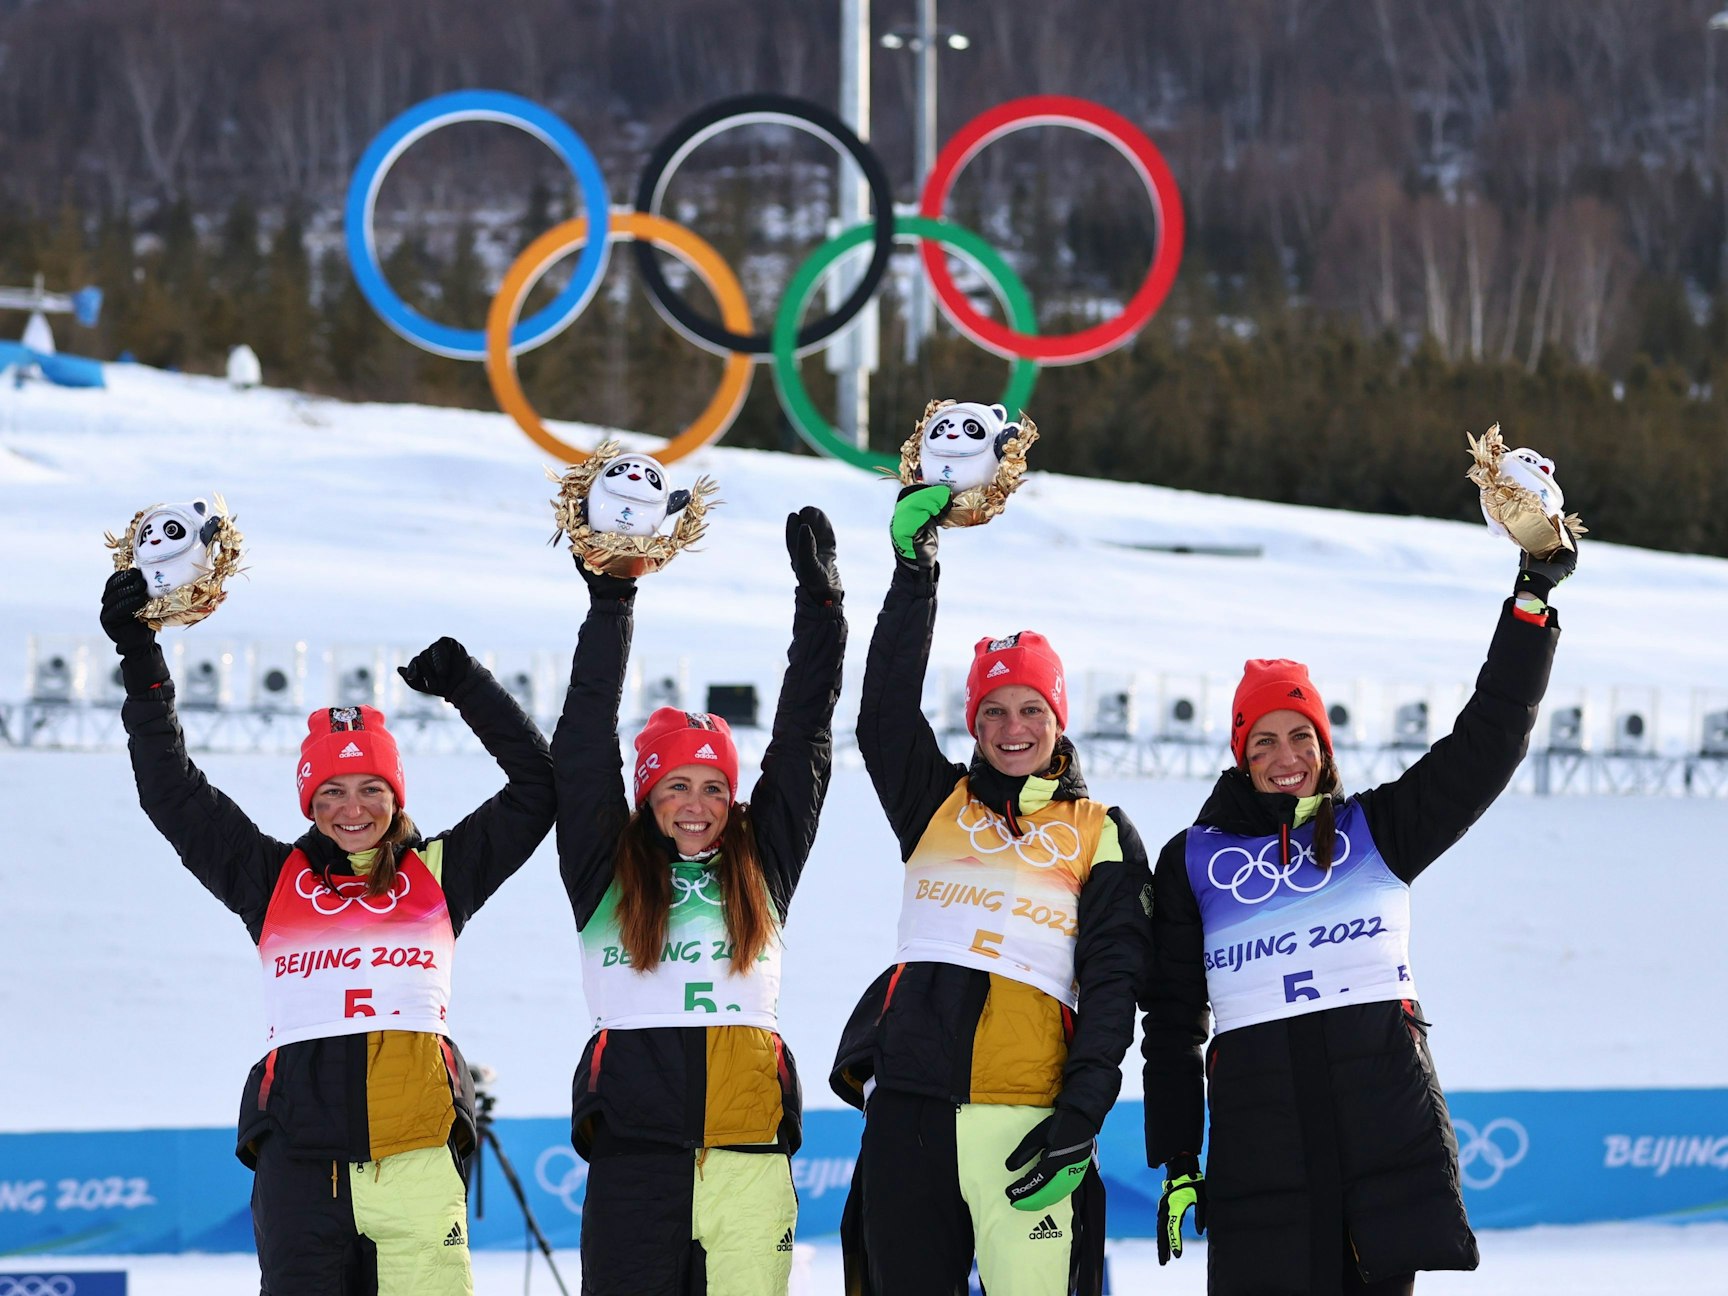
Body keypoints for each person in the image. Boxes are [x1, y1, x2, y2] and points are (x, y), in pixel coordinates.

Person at [99, 568, 557, 1295]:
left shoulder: (441, 873)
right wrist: (140, 657)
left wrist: (471, 688)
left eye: (372, 788)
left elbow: (540, 786)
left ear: (396, 794)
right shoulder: (268, 878)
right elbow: (171, 790)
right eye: (332, 792)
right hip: (302, 1171)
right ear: (310, 802)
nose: (354, 807)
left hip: (417, 1158)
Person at [1141, 543, 1574, 1295]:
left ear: (1323, 745)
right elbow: (1174, 1023)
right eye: (1265, 740)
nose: (1287, 756)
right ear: (1241, 753)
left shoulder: (1378, 831)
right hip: (1261, 1167)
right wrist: (1179, 1159)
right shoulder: (1192, 861)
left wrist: (1531, 601)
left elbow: (1491, 737)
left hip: (1382, 1155)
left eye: (1301, 736)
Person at [831, 483, 1153, 1296]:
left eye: (1031, 708)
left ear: (1059, 716)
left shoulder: (1102, 830)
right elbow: (880, 716)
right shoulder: (932, 802)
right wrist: (915, 572)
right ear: (973, 724)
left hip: (1029, 1118)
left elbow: (1116, 985)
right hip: (910, 1110)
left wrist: (1082, 1113)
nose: (1013, 728)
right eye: (994, 711)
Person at [552, 506, 846, 1296]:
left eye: (714, 786)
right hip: (634, 1168)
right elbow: (581, 748)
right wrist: (612, 603)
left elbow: (804, 737)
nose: (697, 803)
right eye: (676, 784)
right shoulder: (604, 872)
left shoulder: (763, 862)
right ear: (647, 794)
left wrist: (820, 613)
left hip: (751, 1164)